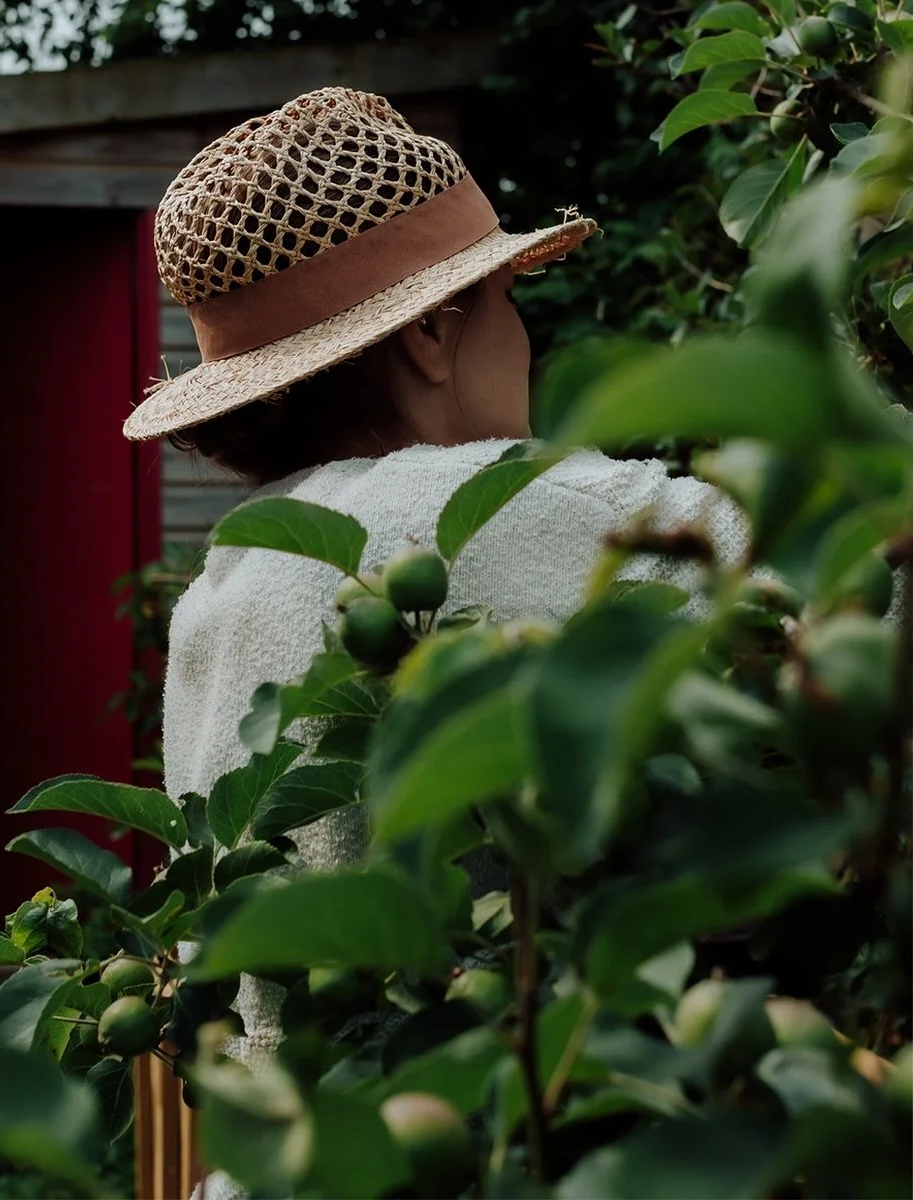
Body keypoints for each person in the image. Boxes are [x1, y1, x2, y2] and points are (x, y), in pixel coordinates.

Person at [123, 86, 747, 1198]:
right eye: (507, 296)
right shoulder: (510, 506)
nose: (527, 332)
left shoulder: (223, 586)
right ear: (430, 330)